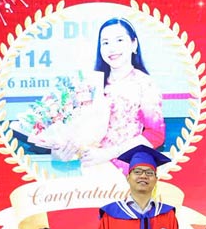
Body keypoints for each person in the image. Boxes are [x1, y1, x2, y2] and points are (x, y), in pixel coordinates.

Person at [59, 18, 165, 167]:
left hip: (126, 169)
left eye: (119, 40)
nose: (112, 48)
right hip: (88, 168)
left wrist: (108, 154)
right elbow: (76, 129)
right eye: (105, 43)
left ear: (134, 44)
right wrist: (65, 150)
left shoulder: (145, 84)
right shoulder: (89, 85)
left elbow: (155, 135)